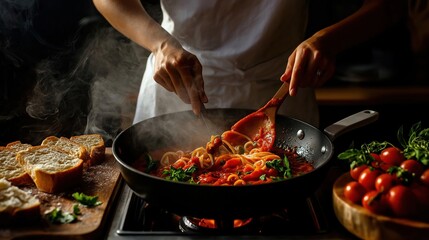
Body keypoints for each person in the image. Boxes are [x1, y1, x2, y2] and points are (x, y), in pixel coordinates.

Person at [92, 0, 405, 127]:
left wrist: (328, 40)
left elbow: (390, 5)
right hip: (176, 84)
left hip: (281, 90)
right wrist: (161, 45)